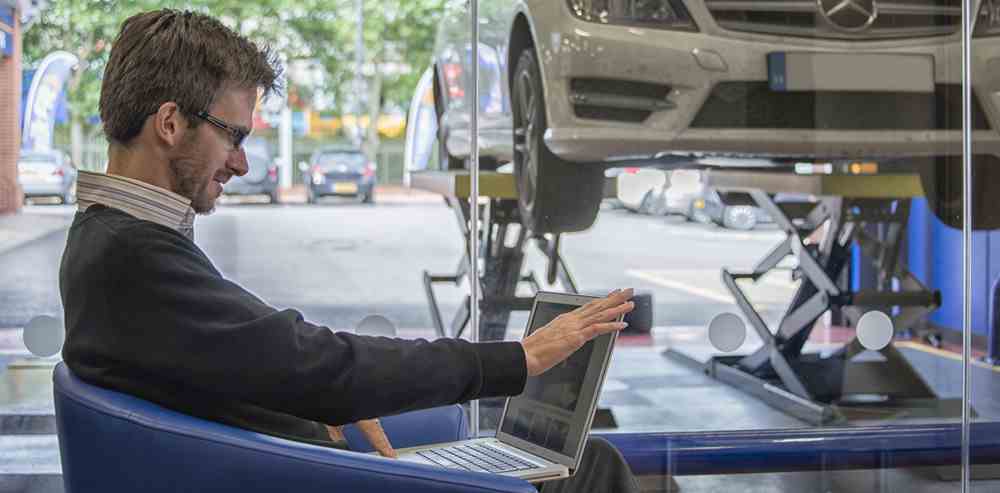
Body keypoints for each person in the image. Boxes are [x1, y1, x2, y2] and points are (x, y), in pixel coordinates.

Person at [59, 9, 640, 492]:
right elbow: (317, 362)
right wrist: (518, 360)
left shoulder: (108, 237)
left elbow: (260, 360)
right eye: (234, 136)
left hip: (292, 463)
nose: (241, 162)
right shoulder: (131, 257)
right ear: (168, 123)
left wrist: (317, 399)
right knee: (590, 471)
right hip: (307, 478)